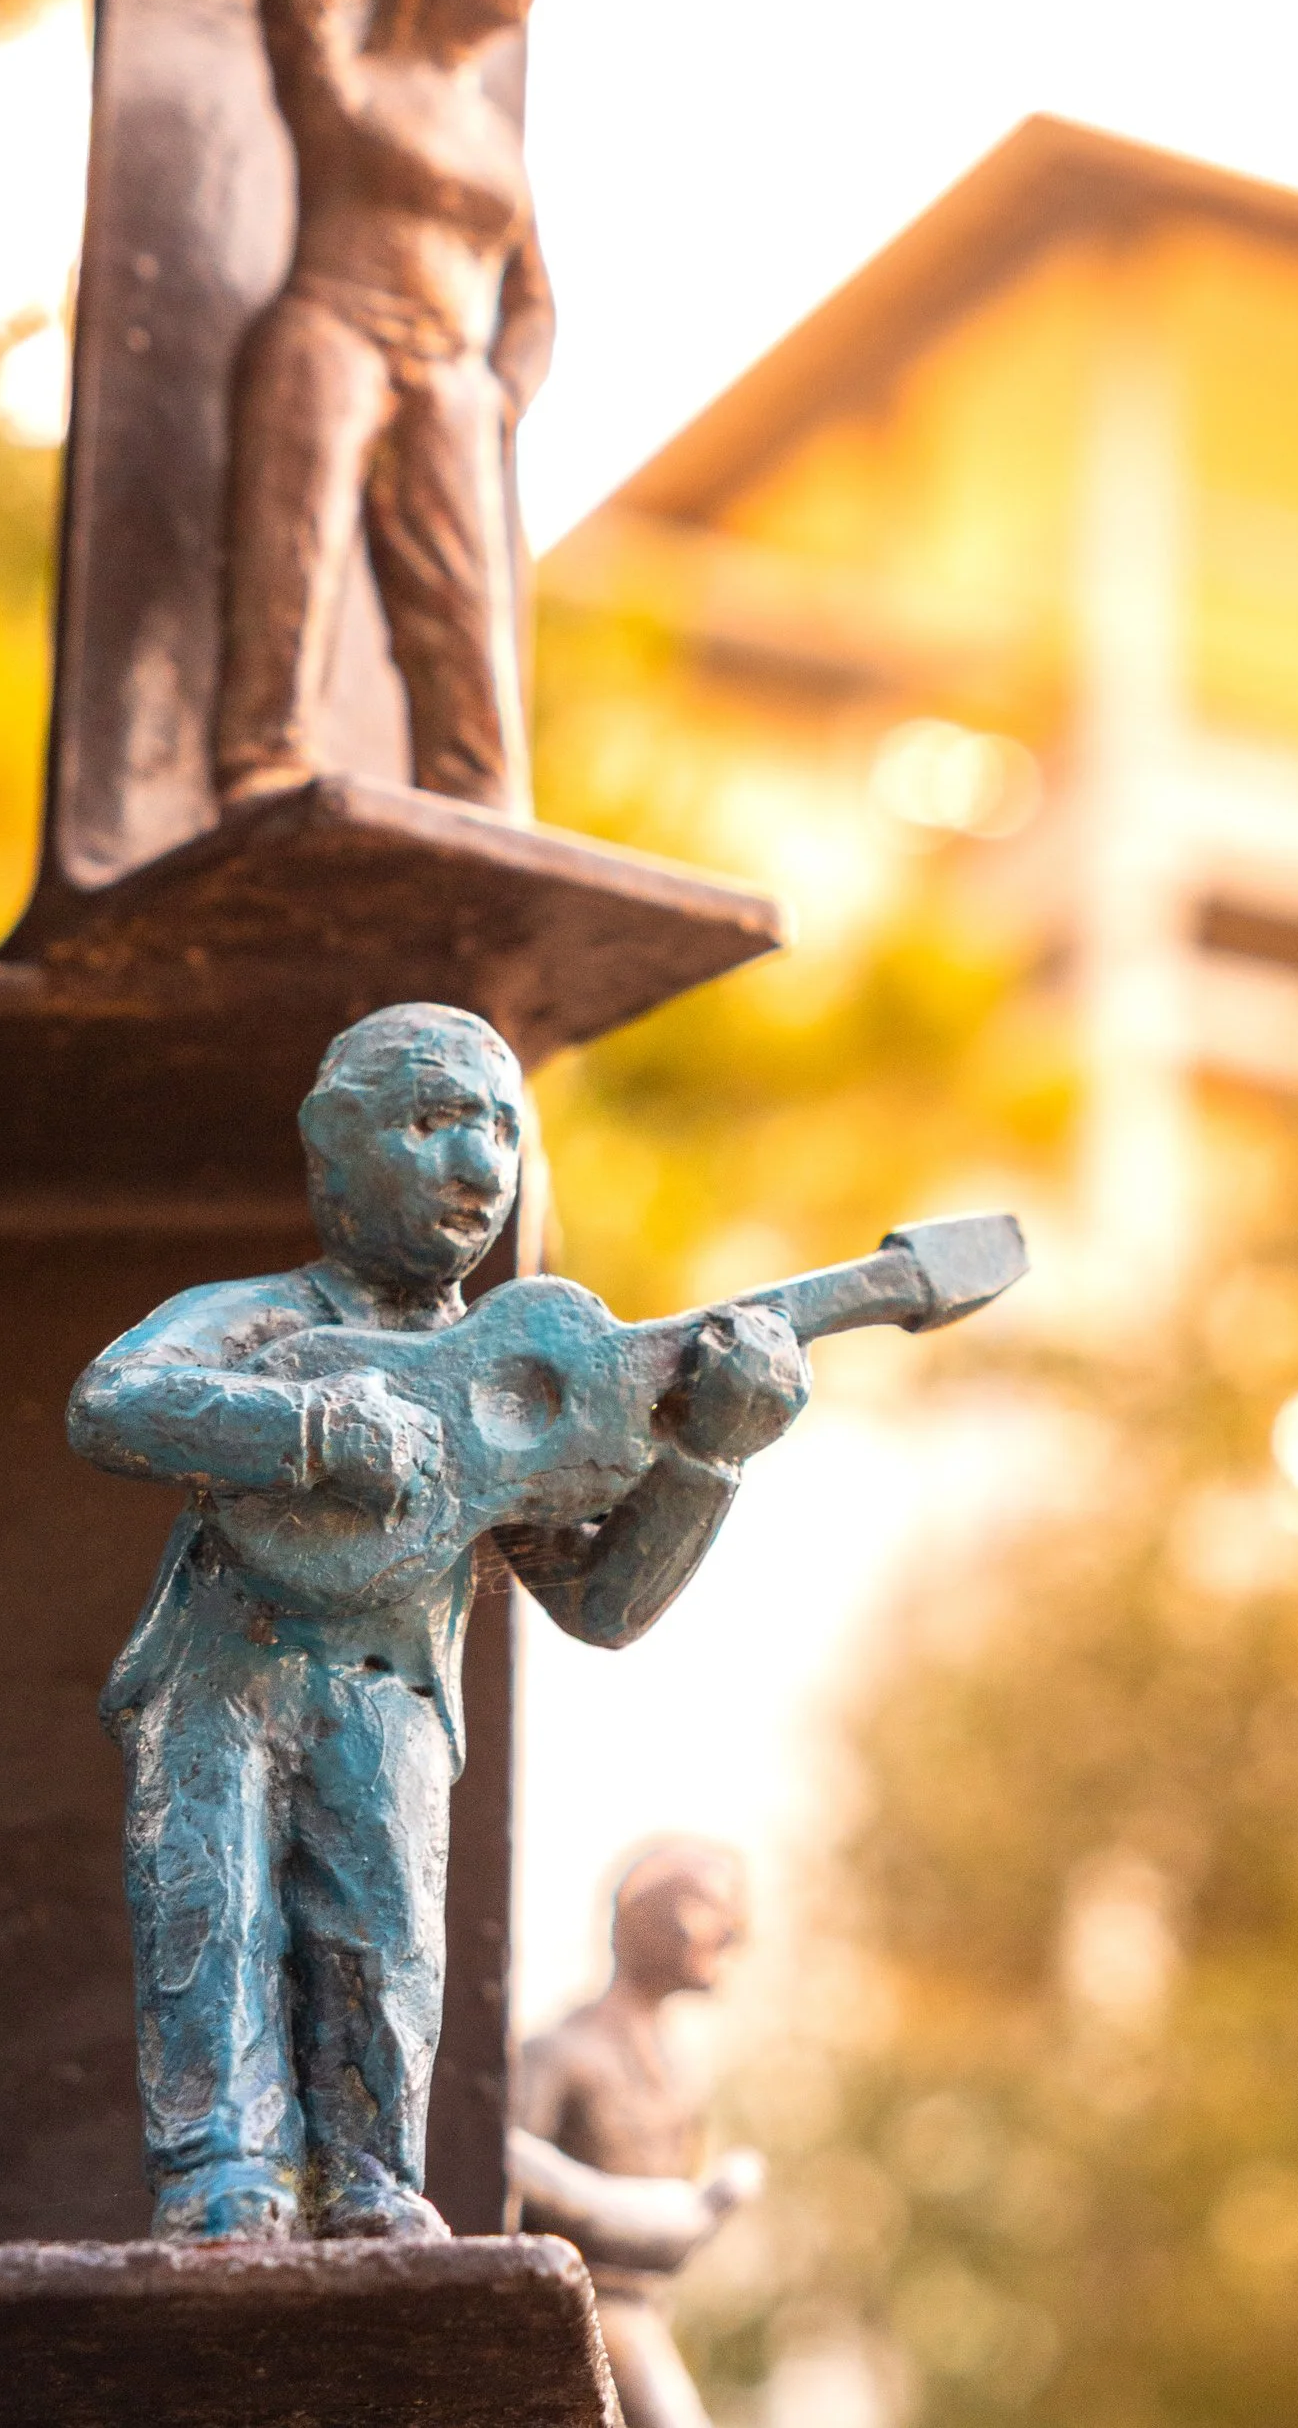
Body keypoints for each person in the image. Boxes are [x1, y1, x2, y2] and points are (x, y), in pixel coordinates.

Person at [69, 1005, 808, 2243]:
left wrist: (707, 1461)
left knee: (383, 1938)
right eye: (433, 1120)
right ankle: (220, 2171)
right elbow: (112, 1402)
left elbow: (603, 1601)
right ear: (330, 1142)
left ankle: (370, 2174)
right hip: (215, 1683)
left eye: (504, 1129)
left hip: (393, 1699)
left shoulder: (516, 1374)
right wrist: (305, 1429)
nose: (479, 1165)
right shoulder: (261, 1319)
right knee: (212, 1912)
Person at [212, 0, 555, 818]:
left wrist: (502, 390)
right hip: (334, 330)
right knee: (296, 554)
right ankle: (264, 756)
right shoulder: (352, 82)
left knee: (464, 614)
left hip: (448, 372)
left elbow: (533, 298)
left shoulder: (493, 137)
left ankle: (479, 804)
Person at [514, 1840, 766, 2428]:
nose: (731, 1932)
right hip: (576, 2319)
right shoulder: (560, 2054)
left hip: (646, 2315)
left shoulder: (679, 2073)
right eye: (708, 1906)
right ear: (652, 1920)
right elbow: (500, 2194)